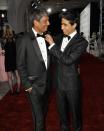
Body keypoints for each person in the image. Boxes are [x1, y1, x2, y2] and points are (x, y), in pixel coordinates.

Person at [45, 11, 88, 131]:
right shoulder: (58, 38)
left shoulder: (82, 42)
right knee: (62, 118)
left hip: (72, 85)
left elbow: (68, 60)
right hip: (58, 84)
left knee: (75, 117)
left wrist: (52, 45)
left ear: (74, 25)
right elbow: (52, 56)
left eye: (65, 25)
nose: (61, 27)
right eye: (61, 24)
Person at [16, 8, 51, 131]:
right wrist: (27, 85)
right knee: (39, 118)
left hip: (47, 85)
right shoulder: (24, 39)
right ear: (36, 22)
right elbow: (20, 64)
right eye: (45, 21)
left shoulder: (47, 37)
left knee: (44, 113)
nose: (48, 23)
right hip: (33, 86)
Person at [2, 24, 21, 94]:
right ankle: (18, 90)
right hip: (15, 58)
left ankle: (12, 91)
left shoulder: (3, 40)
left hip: (8, 60)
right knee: (17, 75)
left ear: (4, 30)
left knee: (9, 77)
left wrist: (3, 52)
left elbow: (3, 52)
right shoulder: (14, 37)